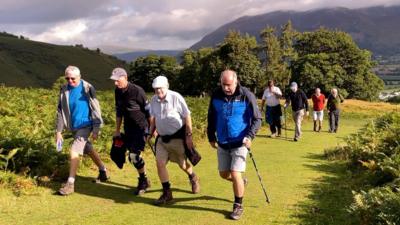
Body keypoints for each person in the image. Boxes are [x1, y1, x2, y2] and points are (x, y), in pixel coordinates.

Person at [207, 70, 262, 220]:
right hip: (222, 142)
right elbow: (211, 117)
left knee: (235, 172)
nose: (226, 88)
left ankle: (238, 205)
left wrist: (250, 136)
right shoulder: (216, 95)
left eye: (229, 85)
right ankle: (241, 184)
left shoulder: (246, 95)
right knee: (224, 174)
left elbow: (257, 119)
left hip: (240, 142)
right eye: (223, 84)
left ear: (236, 81)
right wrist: (211, 136)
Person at [147, 75, 200, 206]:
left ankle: (193, 177)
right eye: (156, 89)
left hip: (177, 137)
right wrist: (150, 131)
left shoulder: (176, 97)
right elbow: (153, 117)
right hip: (161, 139)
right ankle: (167, 193)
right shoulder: (153, 100)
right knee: (160, 163)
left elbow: (187, 115)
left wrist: (188, 134)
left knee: (182, 165)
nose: (158, 91)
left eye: (160, 88)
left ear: (167, 86)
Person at [56, 65, 108, 196]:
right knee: (88, 149)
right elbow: (60, 111)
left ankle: (70, 183)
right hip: (73, 127)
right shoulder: (63, 90)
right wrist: (58, 131)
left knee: (74, 151)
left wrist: (96, 128)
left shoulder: (88, 88)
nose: (70, 81)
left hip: (86, 125)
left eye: (73, 78)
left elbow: (96, 109)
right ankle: (103, 171)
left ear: (79, 77)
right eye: (67, 78)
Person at [110, 67, 151, 195]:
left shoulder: (137, 91)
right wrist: (117, 130)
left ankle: (143, 181)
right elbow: (119, 112)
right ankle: (144, 179)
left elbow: (149, 111)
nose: (116, 83)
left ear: (125, 77)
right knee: (131, 157)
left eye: (118, 80)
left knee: (134, 156)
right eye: (114, 81)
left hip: (141, 127)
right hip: (128, 129)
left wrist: (152, 129)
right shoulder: (117, 91)